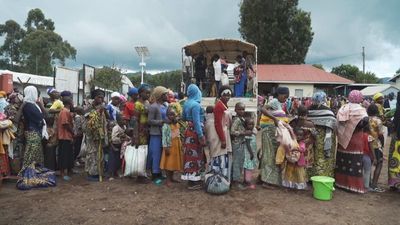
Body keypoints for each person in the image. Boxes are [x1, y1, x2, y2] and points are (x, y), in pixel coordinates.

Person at [335, 90, 368, 193]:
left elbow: (338, 123)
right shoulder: (361, 110)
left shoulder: (343, 108)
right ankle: (353, 186)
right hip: (356, 139)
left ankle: (340, 183)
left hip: (343, 139)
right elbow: (365, 123)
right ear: (360, 98)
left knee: (342, 160)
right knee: (354, 161)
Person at [259, 87, 290, 187]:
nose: (286, 99)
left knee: (271, 155)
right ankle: (267, 181)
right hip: (269, 132)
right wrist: (275, 119)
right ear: (280, 94)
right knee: (269, 155)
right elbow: (262, 109)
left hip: (273, 132)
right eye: (285, 97)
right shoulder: (274, 101)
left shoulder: (279, 104)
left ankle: (265, 177)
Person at [205, 86, 233, 189]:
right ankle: (217, 182)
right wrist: (222, 139)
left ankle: (223, 180)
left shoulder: (223, 105)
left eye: (229, 95)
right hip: (219, 135)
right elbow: (217, 124)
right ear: (221, 95)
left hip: (223, 133)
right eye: (225, 95)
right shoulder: (218, 106)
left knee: (223, 156)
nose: (227, 97)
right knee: (219, 156)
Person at [307, 92, 337, 178]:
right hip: (324, 138)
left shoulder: (309, 110)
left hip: (311, 137)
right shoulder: (328, 111)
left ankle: (310, 175)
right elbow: (333, 124)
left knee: (312, 154)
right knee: (323, 157)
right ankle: (323, 176)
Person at [285, 106, 315, 190]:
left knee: (295, 164)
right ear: (307, 114)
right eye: (302, 115)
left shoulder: (293, 122)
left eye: (302, 115)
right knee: (301, 165)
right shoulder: (310, 124)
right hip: (304, 146)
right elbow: (314, 137)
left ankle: (296, 181)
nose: (302, 117)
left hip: (297, 146)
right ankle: (301, 181)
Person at [181, 84, 205, 189]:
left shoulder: (186, 103)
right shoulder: (196, 105)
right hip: (195, 132)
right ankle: (194, 181)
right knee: (195, 155)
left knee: (189, 155)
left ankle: (190, 179)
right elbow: (196, 122)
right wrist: (200, 135)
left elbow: (183, 117)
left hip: (188, 131)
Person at [20, 86, 46, 174]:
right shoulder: (29, 105)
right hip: (32, 132)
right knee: (31, 152)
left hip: (34, 131)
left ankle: (32, 171)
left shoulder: (32, 104)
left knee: (35, 152)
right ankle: (27, 172)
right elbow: (40, 117)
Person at [83, 89, 108, 182]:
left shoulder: (102, 106)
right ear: (94, 97)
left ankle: (98, 172)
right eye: (99, 97)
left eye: (102, 97)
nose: (101, 99)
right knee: (92, 153)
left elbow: (106, 117)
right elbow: (87, 118)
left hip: (100, 133)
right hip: (91, 134)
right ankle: (91, 173)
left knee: (99, 153)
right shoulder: (88, 106)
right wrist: (98, 110)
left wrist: (104, 110)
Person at [148, 86, 169, 183]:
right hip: (155, 133)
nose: (167, 96)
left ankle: (160, 171)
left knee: (161, 153)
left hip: (163, 133)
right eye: (165, 94)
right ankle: (155, 173)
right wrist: (161, 122)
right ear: (160, 95)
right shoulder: (153, 107)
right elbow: (150, 121)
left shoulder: (164, 106)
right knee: (155, 154)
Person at [160, 105, 183, 187]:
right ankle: (168, 179)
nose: (172, 116)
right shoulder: (166, 125)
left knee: (173, 162)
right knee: (168, 163)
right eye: (170, 115)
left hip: (176, 144)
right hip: (169, 146)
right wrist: (166, 147)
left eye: (173, 115)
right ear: (167, 116)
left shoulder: (176, 123)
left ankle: (172, 177)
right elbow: (164, 137)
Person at [367, 104, 385, 192]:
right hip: (376, 145)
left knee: (368, 164)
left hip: (366, 144)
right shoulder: (378, 121)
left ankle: (368, 183)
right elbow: (381, 134)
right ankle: (374, 185)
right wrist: (382, 143)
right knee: (379, 164)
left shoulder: (366, 119)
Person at [57, 99, 74, 181]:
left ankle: (69, 170)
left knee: (68, 155)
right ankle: (62, 173)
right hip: (64, 136)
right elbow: (65, 123)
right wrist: (72, 131)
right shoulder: (64, 111)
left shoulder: (66, 111)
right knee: (63, 155)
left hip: (67, 136)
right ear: (69, 103)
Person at [230, 102, 247, 185]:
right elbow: (232, 131)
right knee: (237, 162)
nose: (241, 111)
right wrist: (243, 133)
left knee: (240, 161)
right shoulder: (236, 120)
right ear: (235, 110)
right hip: (237, 143)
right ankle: (235, 180)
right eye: (239, 109)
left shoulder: (242, 119)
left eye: (243, 109)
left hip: (241, 143)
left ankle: (236, 178)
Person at [109, 114, 129, 180]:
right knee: (113, 160)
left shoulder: (124, 127)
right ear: (118, 121)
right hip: (115, 145)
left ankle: (116, 172)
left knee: (118, 161)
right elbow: (113, 138)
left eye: (125, 120)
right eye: (122, 120)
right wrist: (122, 139)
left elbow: (125, 135)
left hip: (120, 146)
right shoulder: (116, 128)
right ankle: (111, 175)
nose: (124, 121)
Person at [389, 91, 400, 190]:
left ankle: (395, 183)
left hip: (398, 137)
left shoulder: (398, 110)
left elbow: (396, 121)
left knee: (395, 158)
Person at [243, 116, 258, 189]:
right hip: (249, 153)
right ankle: (248, 182)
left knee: (248, 167)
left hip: (251, 153)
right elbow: (248, 145)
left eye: (252, 124)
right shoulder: (248, 133)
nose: (251, 126)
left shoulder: (252, 132)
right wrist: (251, 153)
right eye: (249, 124)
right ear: (246, 125)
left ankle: (246, 181)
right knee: (249, 167)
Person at [362, 123, 374, 192]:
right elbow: (371, 147)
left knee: (360, 170)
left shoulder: (359, 135)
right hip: (366, 155)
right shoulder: (369, 136)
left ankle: (360, 185)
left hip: (359, 155)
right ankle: (366, 187)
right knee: (367, 171)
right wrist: (374, 156)